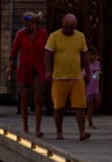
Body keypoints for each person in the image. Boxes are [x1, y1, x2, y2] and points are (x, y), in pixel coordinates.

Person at [43, 11, 91, 141]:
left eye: (71, 27)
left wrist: (88, 72)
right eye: (66, 27)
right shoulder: (54, 36)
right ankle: (59, 132)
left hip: (76, 77)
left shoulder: (80, 36)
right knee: (59, 106)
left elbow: (85, 55)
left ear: (75, 26)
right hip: (59, 77)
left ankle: (82, 132)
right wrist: (48, 71)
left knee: (80, 105)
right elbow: (47, 54)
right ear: (62, 24)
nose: (69, 30)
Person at [10, 12, 47, 133]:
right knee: (24, 98)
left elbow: (47, 51)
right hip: (24, 68)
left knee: (38, 98)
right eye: (25, 25)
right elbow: (14, 52)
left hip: (38, 67)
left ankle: (37, 128)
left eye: (30, 24)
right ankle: (25, 127)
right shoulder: (21, 34)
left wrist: (49, 68)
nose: (27, 27)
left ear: (36, 23)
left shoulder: (43, 33)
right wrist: (10, 67)